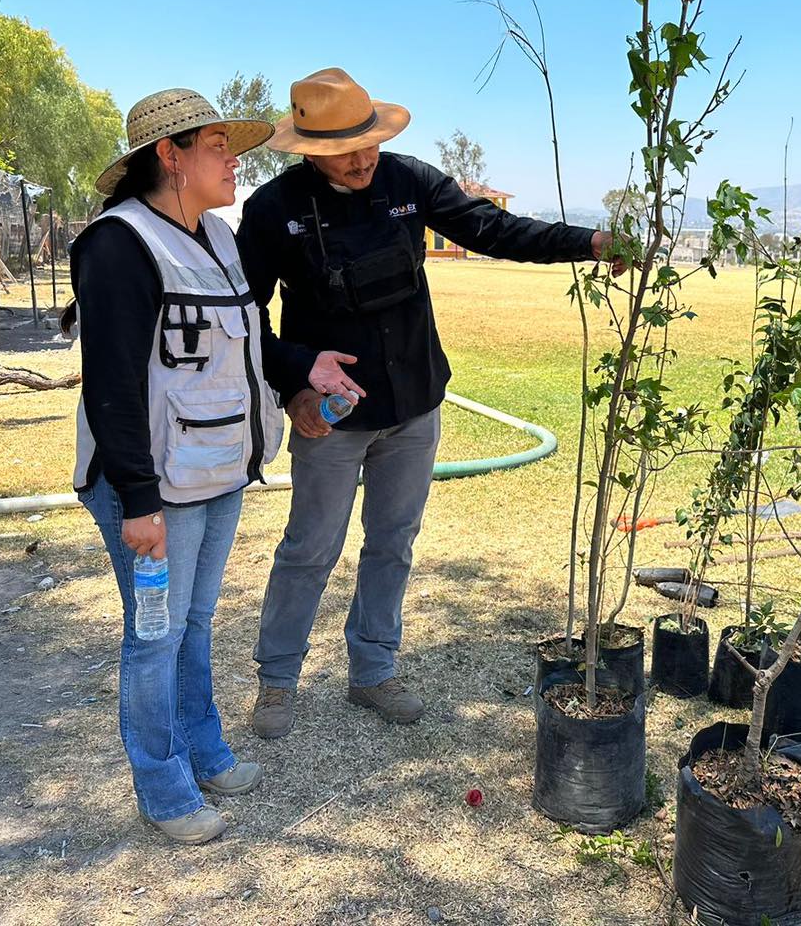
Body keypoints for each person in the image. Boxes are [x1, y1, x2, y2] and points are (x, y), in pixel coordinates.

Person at [237, 67, 623, 737]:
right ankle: (276, 681)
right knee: (310, 547)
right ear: (308, 149)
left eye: (368, 144)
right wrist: (294, 384)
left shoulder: (410, 182)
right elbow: (245, 319)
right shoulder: (273, 211)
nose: (361, 160)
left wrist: (586, 243)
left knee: (393, 543)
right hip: (332, 418)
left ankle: (373, 672)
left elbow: (494, 230)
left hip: (415, 403)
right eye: (343, 150)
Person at [70, 88, 361, 844]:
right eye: (216, 144)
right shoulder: (119, 244)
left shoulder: (221, 238)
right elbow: (111, 385)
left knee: (195, 624)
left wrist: (305, 370)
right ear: (169, 155)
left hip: (219, 471)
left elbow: (250, 339)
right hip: (154, 485)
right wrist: (137, 500)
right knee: (154, 635)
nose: (235, 158)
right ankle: (162, 787)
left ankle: (204, 750)